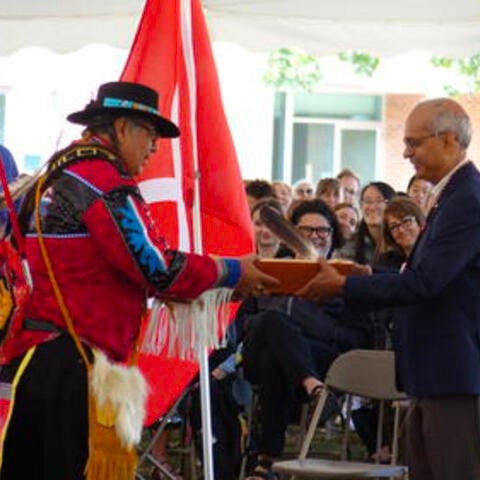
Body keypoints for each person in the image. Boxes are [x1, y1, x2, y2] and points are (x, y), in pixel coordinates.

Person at [0, 81, 277, 480]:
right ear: (124, 127)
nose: (154, 148)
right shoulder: (103, 181)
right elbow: (156, 266)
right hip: (78, 370)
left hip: (36, 364)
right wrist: (232, 271)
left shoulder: (52, 176)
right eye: (150, 134)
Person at [295, 98, 480, 480]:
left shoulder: (467, 199)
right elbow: (421, 273)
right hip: (433, 371)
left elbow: (426, 282)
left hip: (453, 373)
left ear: (447, 139)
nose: (406, 152)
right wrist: (365, 275)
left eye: (414, 143)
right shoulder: (453, 195)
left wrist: (346, 285)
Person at [238, 199, 372, 479]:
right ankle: (314, 389)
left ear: (333, 234)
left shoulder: (345, 276)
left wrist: (304, 322)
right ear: (291, 233)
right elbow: (245, 323)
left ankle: (265, 461)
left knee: (276, 357)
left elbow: (356, 337)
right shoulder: (268, 268)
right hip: (255, 357)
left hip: (319, 360)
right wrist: (285, 317)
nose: (314, 236)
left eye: (322, 231)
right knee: (273, 323)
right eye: (306, 230)